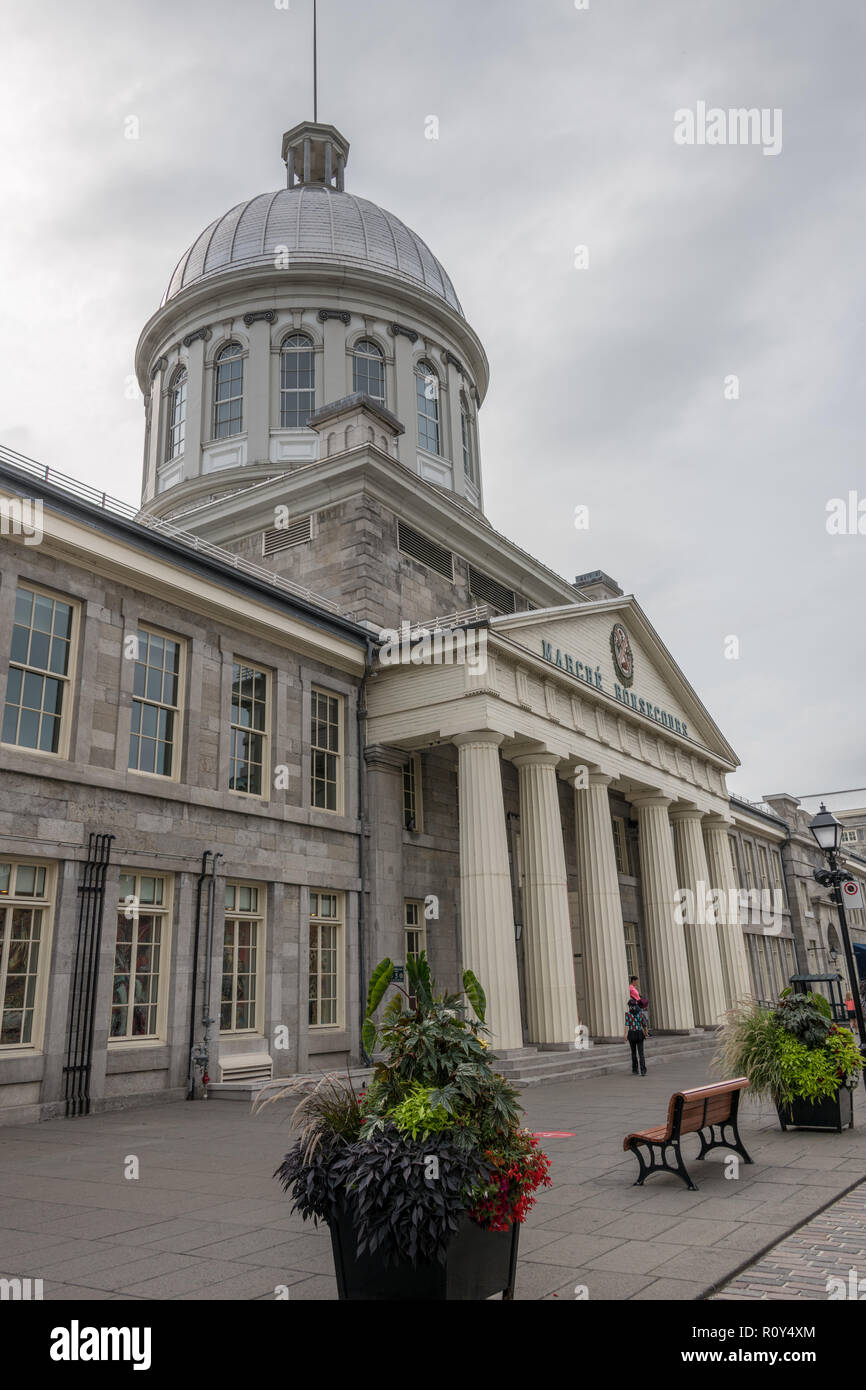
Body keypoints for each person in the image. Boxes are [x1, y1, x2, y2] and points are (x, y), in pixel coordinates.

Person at [625, 994, 649, 1076]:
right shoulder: (640, 1014)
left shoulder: (628, 1014)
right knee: (641, 1053)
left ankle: (635, 1069)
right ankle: (643, 1070)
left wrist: (625, 1036)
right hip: (639, 1033)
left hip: (631, 1034)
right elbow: (644, 1025)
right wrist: (646, 1033)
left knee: (633, 1052)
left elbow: (627, 1025)